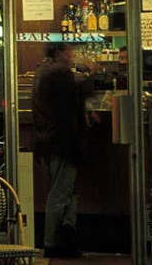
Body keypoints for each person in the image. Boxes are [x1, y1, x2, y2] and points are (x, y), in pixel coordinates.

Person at [34, 43, 94, 258]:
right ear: (59, 53)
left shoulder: (43, 71)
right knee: (61, 193)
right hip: (61, 142)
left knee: (67, 192)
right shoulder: (59, 73)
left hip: (48, 141)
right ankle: (52, 243)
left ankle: (66, 238)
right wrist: (91, 74)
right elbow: (74, 98)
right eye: (69, 52)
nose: (72, 55)